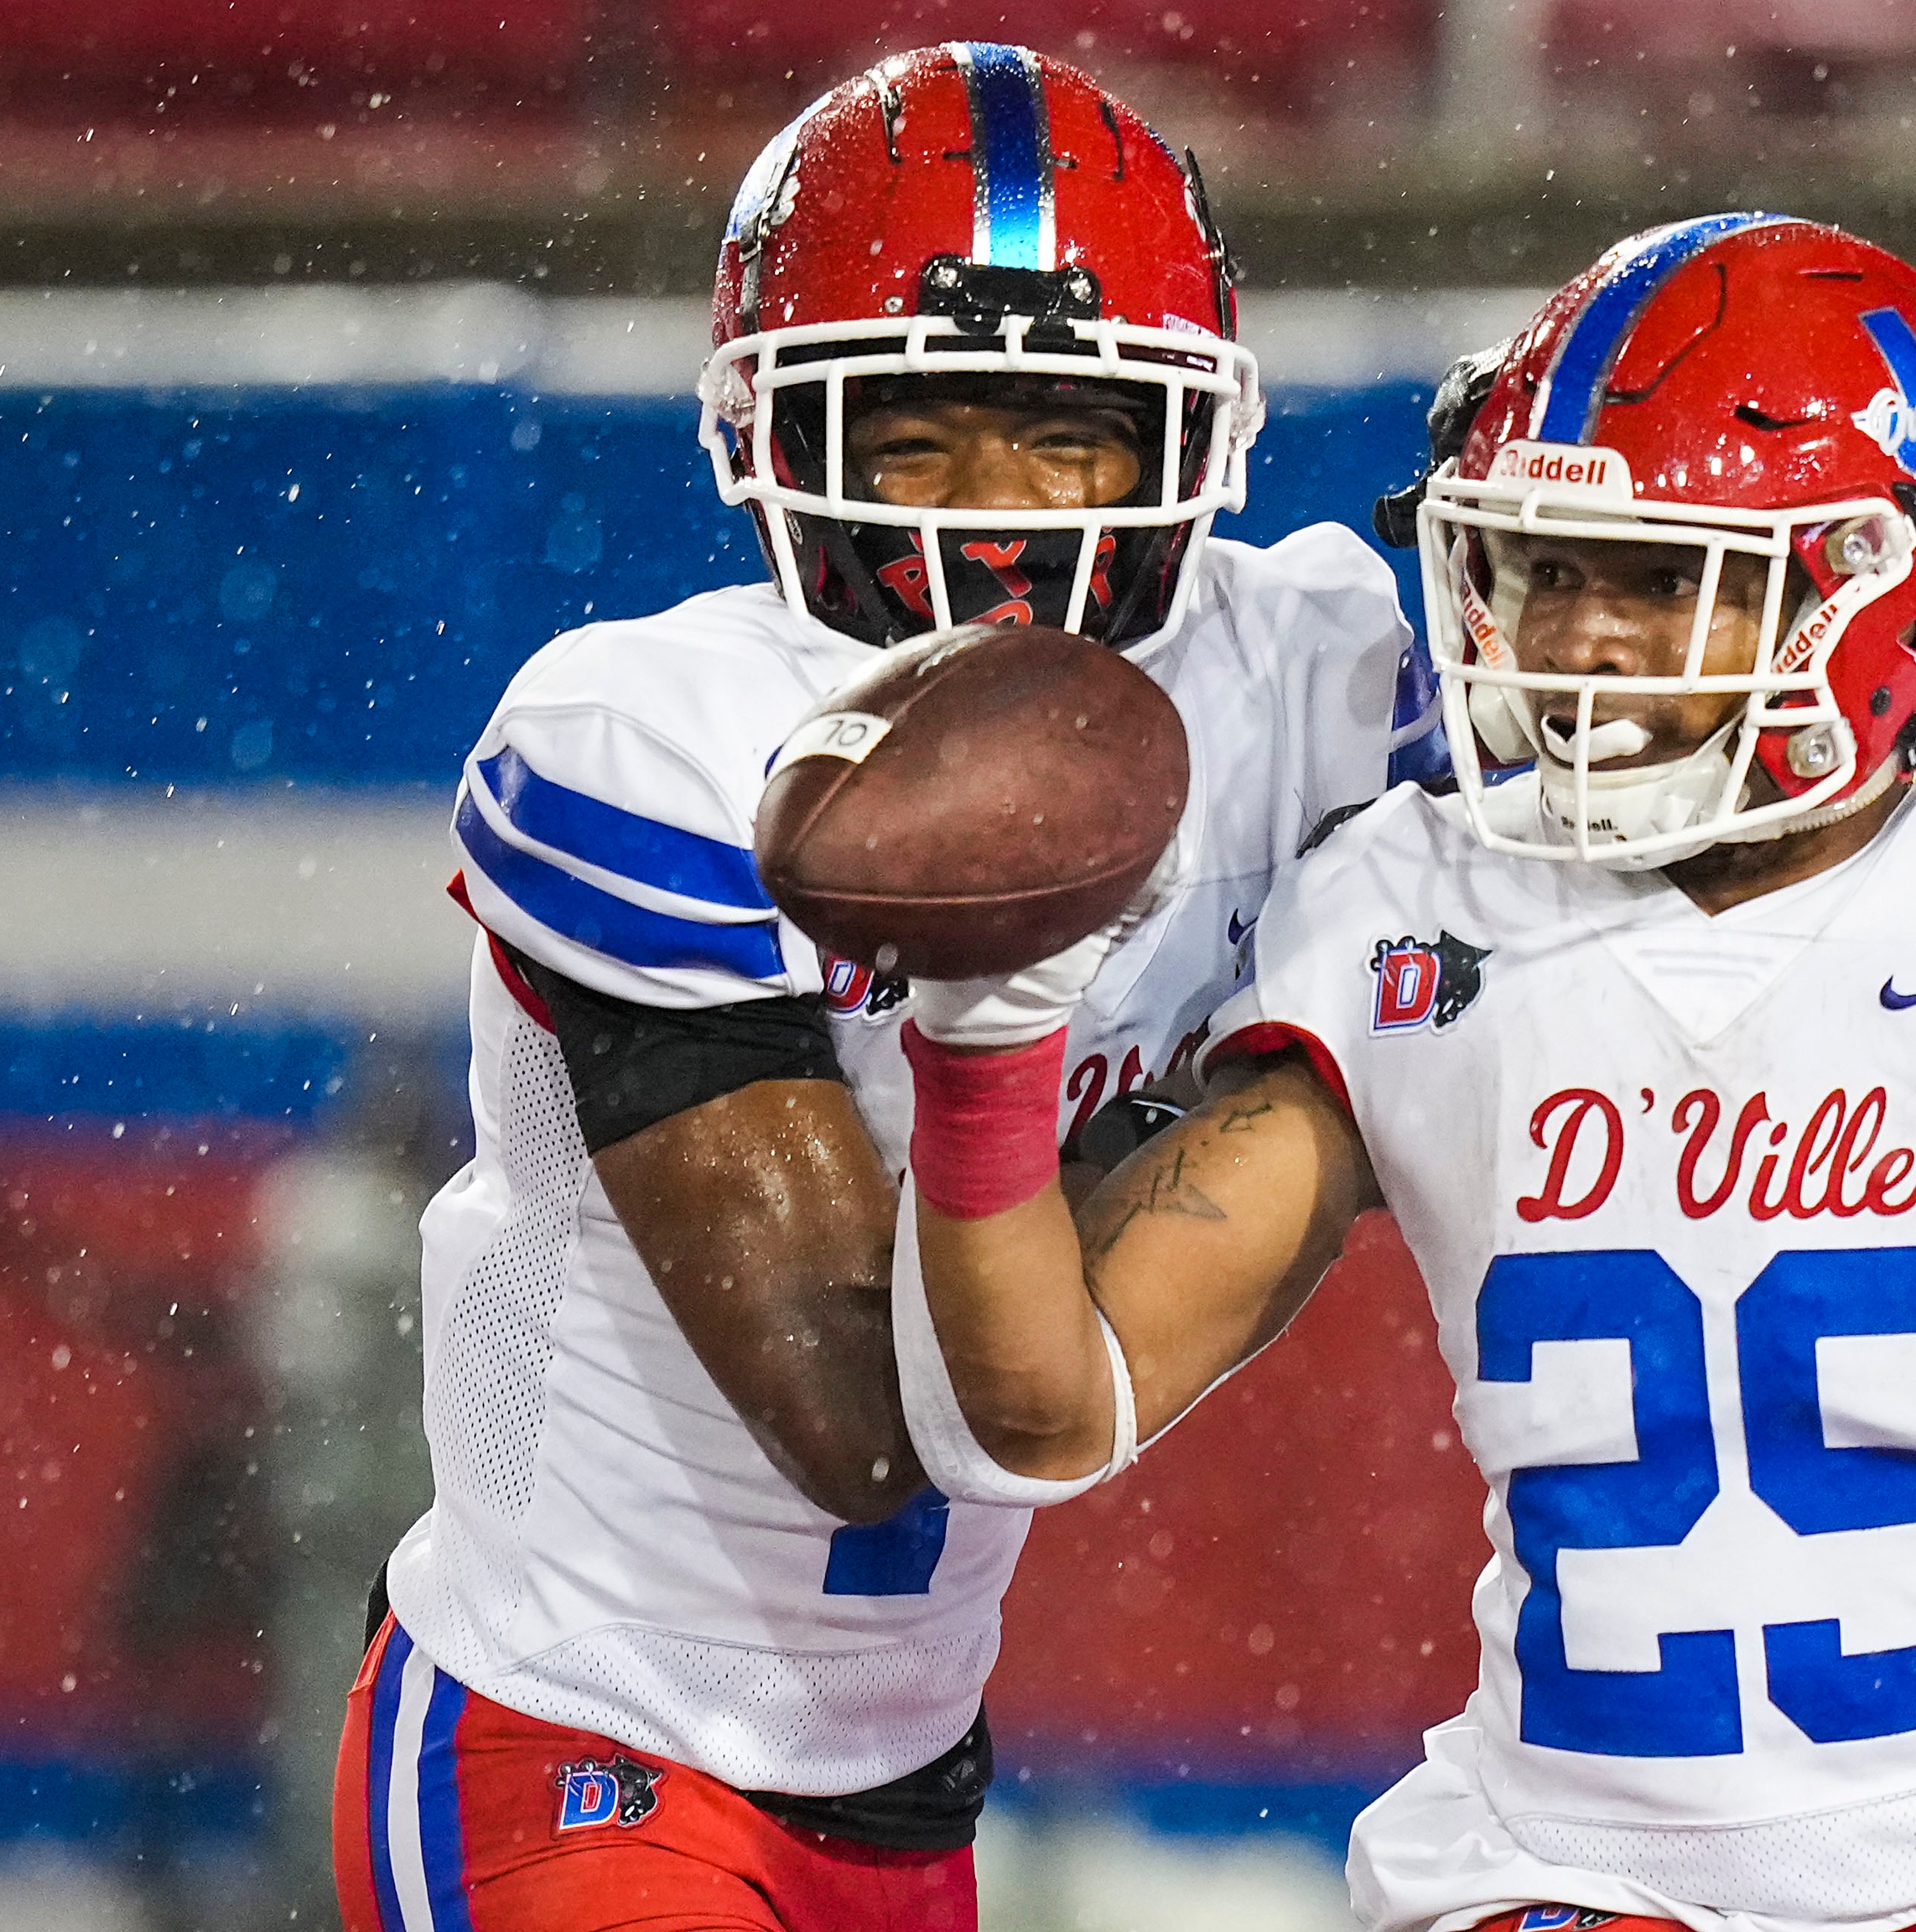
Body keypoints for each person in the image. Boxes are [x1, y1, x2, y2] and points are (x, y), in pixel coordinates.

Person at [881, 214, 1916, 1932]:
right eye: (1550, 569)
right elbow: (1040, 1408)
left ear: (1895, 582)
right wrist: (984, 1040)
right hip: (1552, 1891)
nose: (1579, 646)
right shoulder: (1411, 906)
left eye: (1664, 580)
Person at [329, 43, 1432, 1932]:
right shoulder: (649, 738)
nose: (992, 522)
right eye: (910, 439)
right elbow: (864, 1421)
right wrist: (1172, 1123)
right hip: (581, 1740)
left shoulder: (1323, 673)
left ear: (1190, 451)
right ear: (779, 445)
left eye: (1068, 437)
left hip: (902, 1787)